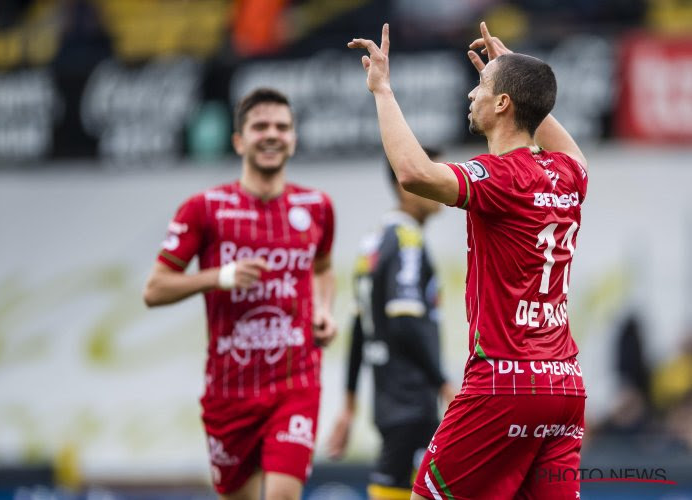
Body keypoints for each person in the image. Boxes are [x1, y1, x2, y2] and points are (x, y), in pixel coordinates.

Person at [348, 22, 589, 499]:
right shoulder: (568, 174)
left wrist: (382, 90)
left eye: (482, 85)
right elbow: (571, 149)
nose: (471, 93)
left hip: (503, 383)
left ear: (503, 105)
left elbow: (414, 173)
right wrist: (520, 78)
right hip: (564, 387)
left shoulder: (497, 177)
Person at [143, 87, 336, 500]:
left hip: (295, 383)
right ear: (238, 140)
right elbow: (155, 289)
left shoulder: (317, 207)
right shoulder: (203, 208)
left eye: (282, 127)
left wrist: (324, 310)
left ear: (294, 139)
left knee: (283, 495)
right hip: (229, 392)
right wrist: (219, 277)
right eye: (260, 126)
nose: (272, 135)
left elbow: (322, 268)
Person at [327, 148, 456, 500]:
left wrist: (349, 404)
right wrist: (444, 382)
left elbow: (358, 327)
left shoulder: (372, 242)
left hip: (387, 399)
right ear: (406, 182)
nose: (443, 183)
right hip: (413, 398)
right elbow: (405, 321)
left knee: (395, 486)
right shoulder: (407, 241)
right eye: (433, 174)